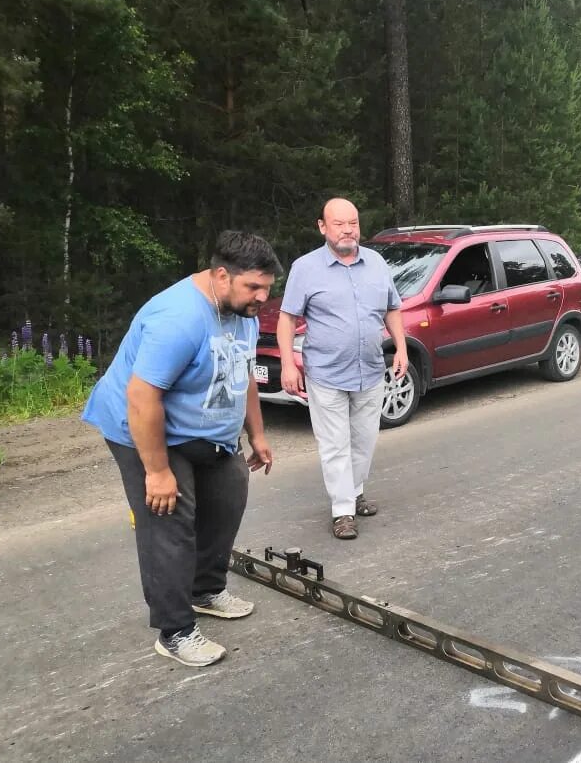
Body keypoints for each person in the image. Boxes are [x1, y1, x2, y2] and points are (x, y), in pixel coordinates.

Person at [82, 231, 282, 666]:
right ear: (222, 275)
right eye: (254, 287)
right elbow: (142, 397)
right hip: (143, 428)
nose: (262, 298)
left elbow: (243, 372)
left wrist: (257, 434)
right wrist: (156, 471)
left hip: (204, 431)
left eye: (268, 288)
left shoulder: (242, 310)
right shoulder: (178, 318)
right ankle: (174, 630)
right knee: (169, 519)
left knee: (229, 493)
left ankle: (205, 590)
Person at [277, 198, 407, 540]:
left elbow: (392, 309)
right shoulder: (305, 268)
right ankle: (342, 511)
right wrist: (288, 365)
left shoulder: (377, 263)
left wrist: (402, 349)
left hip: (370, 369)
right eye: (339, 223)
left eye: (353, 222)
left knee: (364, 440)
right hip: (326, 373)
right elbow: (287, 319)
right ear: (322, 227)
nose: (348, 229)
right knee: (335, 443)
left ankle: (355, 490)